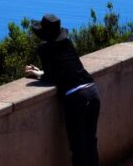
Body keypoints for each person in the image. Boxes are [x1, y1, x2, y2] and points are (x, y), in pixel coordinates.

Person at [24, 13, 101, 166]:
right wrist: (40, 72)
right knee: (90, 143)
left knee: (78, 147)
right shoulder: (68, 43)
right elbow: (65, 69)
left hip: (76, 98)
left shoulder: (44, 49)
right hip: (92, 91)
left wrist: (39, 75)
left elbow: (52, 77)